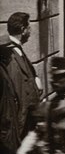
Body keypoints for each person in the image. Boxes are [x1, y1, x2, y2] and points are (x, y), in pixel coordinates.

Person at [3, 12, 41, 140]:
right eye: (29, 28)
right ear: (23, 30)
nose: (30, 32)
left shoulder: (17, 50)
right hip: (21, 122)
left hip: (27, 119)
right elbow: (17, 89)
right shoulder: (10, 54)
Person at [0, 35, 20, 154]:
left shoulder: (4, 69)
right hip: (4, 131)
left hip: (8, 128)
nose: (11, 55)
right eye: (9, 51)